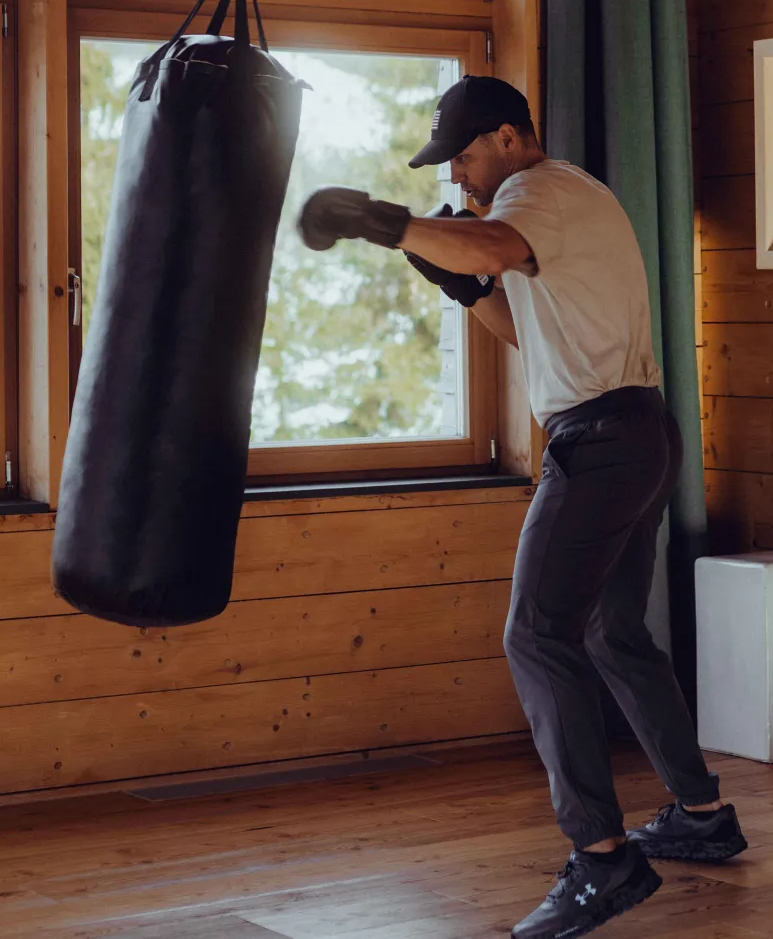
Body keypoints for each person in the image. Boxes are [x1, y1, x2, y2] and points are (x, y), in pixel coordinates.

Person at [298, 75, 747, 939]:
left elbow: (493, 243)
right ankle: (699, 811)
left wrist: (382, 221)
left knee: (534, 633)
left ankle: (603, 860)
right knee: (613, 633)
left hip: (602, 444)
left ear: (507, 137)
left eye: (464, 156)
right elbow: (519, 314)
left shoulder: (533, 192)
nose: (460, 176)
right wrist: (459, 288)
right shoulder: (570, 198)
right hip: (641, 433)